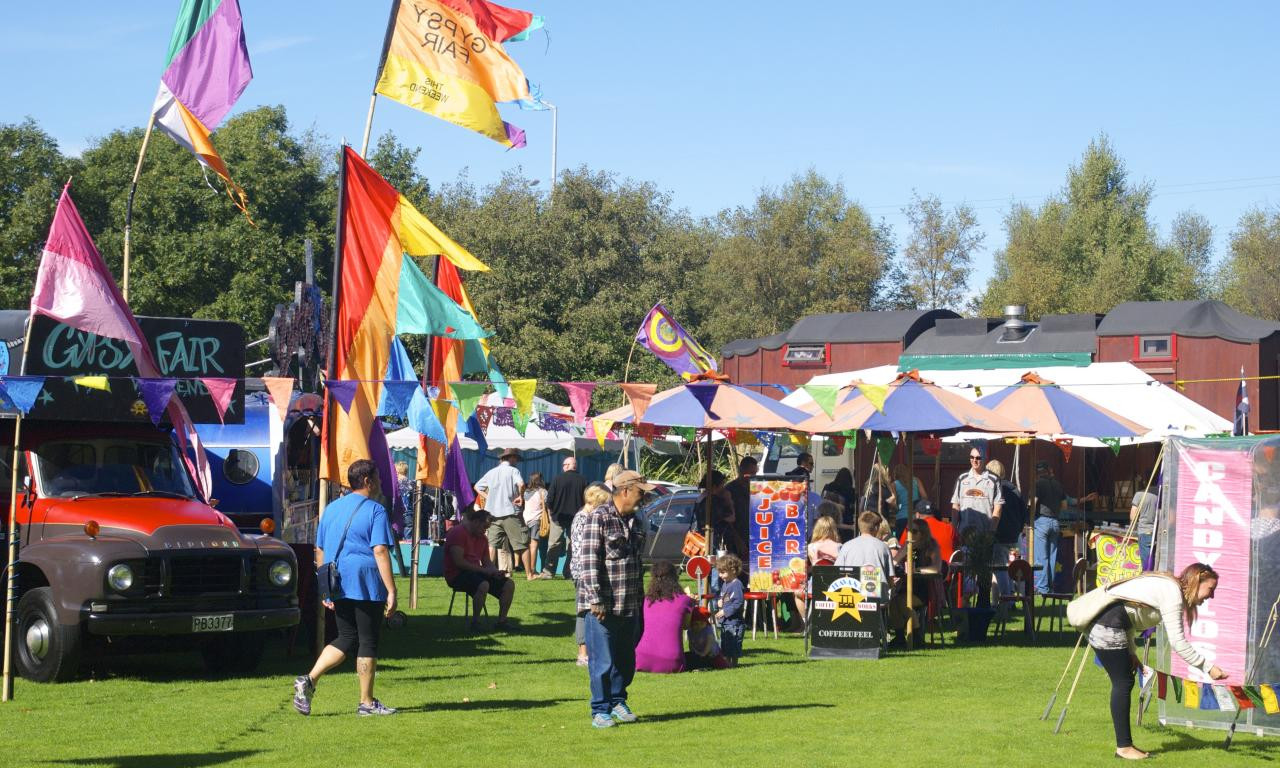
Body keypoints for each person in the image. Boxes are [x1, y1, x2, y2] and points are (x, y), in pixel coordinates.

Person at [1086, 563, 1227, 760]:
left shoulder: (1171, 588)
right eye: (1211, 589)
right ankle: (1124, 748)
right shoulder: (1173, 594)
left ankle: (1125, 746)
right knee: (1123, 682)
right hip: (1106, 624)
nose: (1211, 596)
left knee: (1124, 680)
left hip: (1111, 623)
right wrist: (1208, 668)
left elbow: (1129, 616)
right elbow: (1178, 643)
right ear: (1197, 580)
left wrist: (1131, 652)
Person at [293, 459, 397, 717]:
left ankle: (309, 679)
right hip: (366, 581)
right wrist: (392, 590)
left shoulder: (331, 509)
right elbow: (380, 550)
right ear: (368, 481)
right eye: (378, 477)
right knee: (368, 640)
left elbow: (319, 549)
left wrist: (325, 587)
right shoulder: (376, 510)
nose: (381, 482)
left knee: (346, 637)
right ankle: (366, 702)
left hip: (337, 580)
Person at [578, 470, 652, 728]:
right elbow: (588, 561)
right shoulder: (599, 517)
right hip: (603, 606)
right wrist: (595, 599)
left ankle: (618, 700)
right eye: (641, 492)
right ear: (625, 491)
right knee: (602, 662)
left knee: (625, 660)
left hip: (630, 603)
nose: (644, 498)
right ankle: (600, 710)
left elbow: (637, 562)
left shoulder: (636, 520)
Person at [444, 507, 516, 630]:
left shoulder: (482, 538)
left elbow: (487, 561)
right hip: (456, 575)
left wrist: (495, 572)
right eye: (484, 527)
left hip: (475, 573)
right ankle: (475, 623)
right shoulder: (458, 533)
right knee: (483, 584)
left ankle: (502, 622)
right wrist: (484, 571)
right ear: (476, 522)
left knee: (508, 584)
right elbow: (459, 562)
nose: (485, 531)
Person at [1031, 461, 1096, 595]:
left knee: (1041, 557)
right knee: (1052, 556)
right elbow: (1065, 505)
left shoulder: (1037, 484)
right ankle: (1050, 587)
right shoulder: (1058, 485)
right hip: (1055, 522)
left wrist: (1030, 517)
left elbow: (1032, 503)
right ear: (1048, 471)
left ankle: (1042, 588)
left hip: (1041, 521)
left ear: (1037, 473)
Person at [570, 483, 612, 666]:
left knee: (590, 610)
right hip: (583, 571)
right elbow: (583, 550)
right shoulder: (583, 518)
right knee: (584, 610)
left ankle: (594, 650)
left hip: (585, 569)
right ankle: (583, 653)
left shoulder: (587, 516)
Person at [635, 560, 696, 673]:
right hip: (672, 661)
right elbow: (686, 626)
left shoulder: (647, 600)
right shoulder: (684, 600)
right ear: (674, 577)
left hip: (642, 658)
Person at [475, 447, 526, 571]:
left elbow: (477, 486)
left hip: (492, 513)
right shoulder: (514, 471)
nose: (516, 461)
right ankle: (530, 574)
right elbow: (521, 484)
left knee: (492, 544)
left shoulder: (491, 472)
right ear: (511, 458)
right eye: (516, 459)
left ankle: (488, 570)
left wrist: (487, 496)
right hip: (509, 511)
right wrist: (520, 496)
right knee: (521, 544)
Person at [986, 459, 1026, 596]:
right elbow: (1023, 513)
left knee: (1000, 568)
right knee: (1013, 567)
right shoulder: (1014, 489)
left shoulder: (992, 489)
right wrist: (1019, 530)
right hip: (1014, 536)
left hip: (999, 535)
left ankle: (1006, 598)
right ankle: (1016, 595)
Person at [544, 456, 588, 578]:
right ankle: (569, 571)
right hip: (576, 518)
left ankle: (549, 571)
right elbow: (587, 500)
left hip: (558, 517)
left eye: (564, 465)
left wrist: (551, 513)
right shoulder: (583, 480)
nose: (563, 467)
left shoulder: (557, 479)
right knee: (573, 545)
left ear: (568, 466)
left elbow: (549, 499)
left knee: (553, 544)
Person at [797, 516, 843, 617]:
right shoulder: (839, 546)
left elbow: (809, 568)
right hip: (835, 585)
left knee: (797, 594)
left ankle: (805, 620)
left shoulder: (811, 547)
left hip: (816, 584)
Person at [951, 447, 1003, 537]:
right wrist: (954, 530)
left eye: (978, 458)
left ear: (985, 458)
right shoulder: (962, 478)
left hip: (984, 534)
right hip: (963, 533)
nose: (974, 460)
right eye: (972, 457)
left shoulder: (994, 480)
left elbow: (998, 508)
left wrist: (991, 532)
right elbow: (955, 505)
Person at [835, 511, 894, 580]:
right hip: (878, 586)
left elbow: (837, 572)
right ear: (876, 527)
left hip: (852, 585)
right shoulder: (883, 547)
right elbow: (890, 577)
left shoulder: (846, 546)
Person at [696, 470, 738, 556]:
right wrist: (729, 500)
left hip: (705, 539)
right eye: (722, 484)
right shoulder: (714, 501)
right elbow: (731, 517)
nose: (723, 487)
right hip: (716, 544)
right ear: (715, 486)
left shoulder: (701, 498)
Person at [724, 456, 758, 563]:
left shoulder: (756, 488)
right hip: (736, 540)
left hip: (754, 538)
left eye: (755, 473)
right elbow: (726, 519)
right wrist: (737, 540)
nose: (753, 476)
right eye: (751, 473)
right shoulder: (730, 490)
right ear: (741, 470)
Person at [714, 554, 745, 667]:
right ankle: (727, 663)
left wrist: (725, 612)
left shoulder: (736, 584)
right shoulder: (725, 583)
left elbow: (738, 602)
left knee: (734, 644)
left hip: (734, 622)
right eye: (719, 572)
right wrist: (719, 601)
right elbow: (724, 597)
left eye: (723, 572)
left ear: (733, 570)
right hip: (726, 622)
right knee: (726, 645)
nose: (720, 575)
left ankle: (734, 664)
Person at [521, 472, 549, 581]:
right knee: (534, 545)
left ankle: (528, 570)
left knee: (526, 545)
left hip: (525, 519)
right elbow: (545, 505)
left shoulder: (526, 492)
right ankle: (532, 570)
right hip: (536, 520)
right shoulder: (543, 492)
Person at [891, 463, 924, 537]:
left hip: (901, 517)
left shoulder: (894, 484)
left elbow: (894, 503)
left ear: (895, 473)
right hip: (915, 516)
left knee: (900, 540)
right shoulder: (916, 480)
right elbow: (924, 496)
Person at [1129, 485, 1158, 567]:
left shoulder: (1139, 494)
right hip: (1157, 532)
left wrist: (1133, 527)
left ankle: (1147, 573)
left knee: (1146, 560)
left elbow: (1133, 514)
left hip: (1144, 531)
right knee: (1156, 559)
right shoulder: (1161, 495)